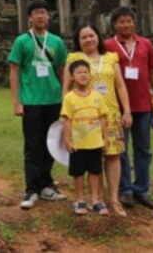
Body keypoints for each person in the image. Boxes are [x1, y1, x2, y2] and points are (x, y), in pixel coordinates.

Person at [62, 24, 132, 217]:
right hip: (85, 116)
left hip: (110, 112)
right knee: (90, 156)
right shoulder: (74, 58)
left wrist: (127, 111)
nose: (88, 40)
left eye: (91, 35)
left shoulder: (111, 58)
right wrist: (67, 114)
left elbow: (120, 86)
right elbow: (66, 87)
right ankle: (96, 198)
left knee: (113, 155)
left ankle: (114, 200)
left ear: (98, 37)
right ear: (78, 41)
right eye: (83, 37)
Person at [8, 0, 68, 210]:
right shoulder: (22, 41)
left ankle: (47, 185)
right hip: (32, 101)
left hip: (54, 100)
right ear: (29, 17)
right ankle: (32, 189)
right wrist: (17, 101)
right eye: (36, 12)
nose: (40, 16)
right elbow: (14, 71)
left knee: (51, 145)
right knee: (33, 146)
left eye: (43, 12)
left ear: (48, 16)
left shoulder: (57, 42)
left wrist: (65, 99)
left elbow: (63, 71)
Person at [104, 6, 153, 210]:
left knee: (143, 149)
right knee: (120, 149)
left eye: (129, 21)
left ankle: (142, 189)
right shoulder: (108, 45)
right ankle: (125, 189)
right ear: (114, 24)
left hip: (144, 104)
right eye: (121, 21)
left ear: (134, 23)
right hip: (117, 107)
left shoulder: (145, 44)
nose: (125, 25)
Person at [61, 60, 109, 215]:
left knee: (95, 171)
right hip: (78, 143)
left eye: (85, 72)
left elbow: (102, 119)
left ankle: (95, 200)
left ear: (90, 75)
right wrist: (67, 140)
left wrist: (105, 138)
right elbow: (67, 120)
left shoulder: (97, 97)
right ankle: (80, 200)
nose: (83, 75)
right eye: (79, 72)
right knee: (78, 172)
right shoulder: (69, 98)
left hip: (95, 143)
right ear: (73, 76)